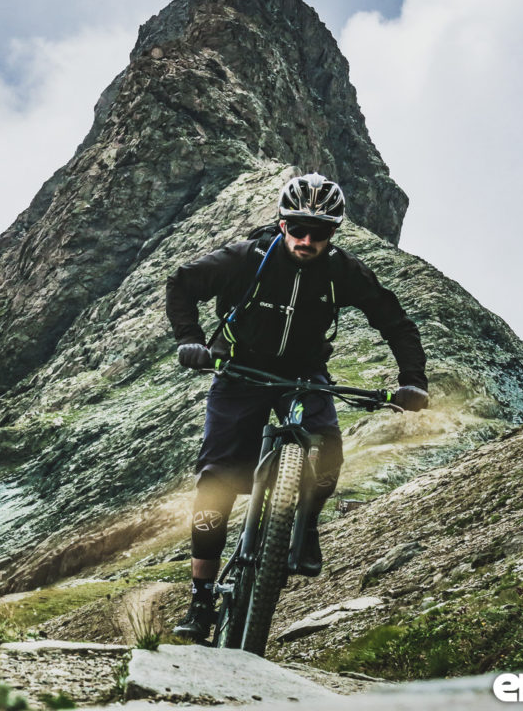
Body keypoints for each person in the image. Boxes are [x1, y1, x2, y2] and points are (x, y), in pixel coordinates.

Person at [164, 173, 429, 643]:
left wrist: (413, 381)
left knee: (327, 453)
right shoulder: (247, 259)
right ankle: (201, 598)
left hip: (304, 376)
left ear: (335, 232)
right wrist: (189, 340)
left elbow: (396, 323)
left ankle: (303, 525)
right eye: (298, 228)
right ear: (282, 224)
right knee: (215, 482)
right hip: (240, 371)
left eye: (320, 232)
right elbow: (182, 284)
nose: (307, 240)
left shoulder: (343, 272)